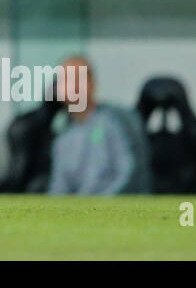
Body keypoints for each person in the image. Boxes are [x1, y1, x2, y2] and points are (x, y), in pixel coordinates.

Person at [47, 56, 153, 195]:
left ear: (92, 83)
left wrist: (100, 203)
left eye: (79, 79)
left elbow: (128, 172)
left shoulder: (114, 122)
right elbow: (59, 185)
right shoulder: (63, 135)